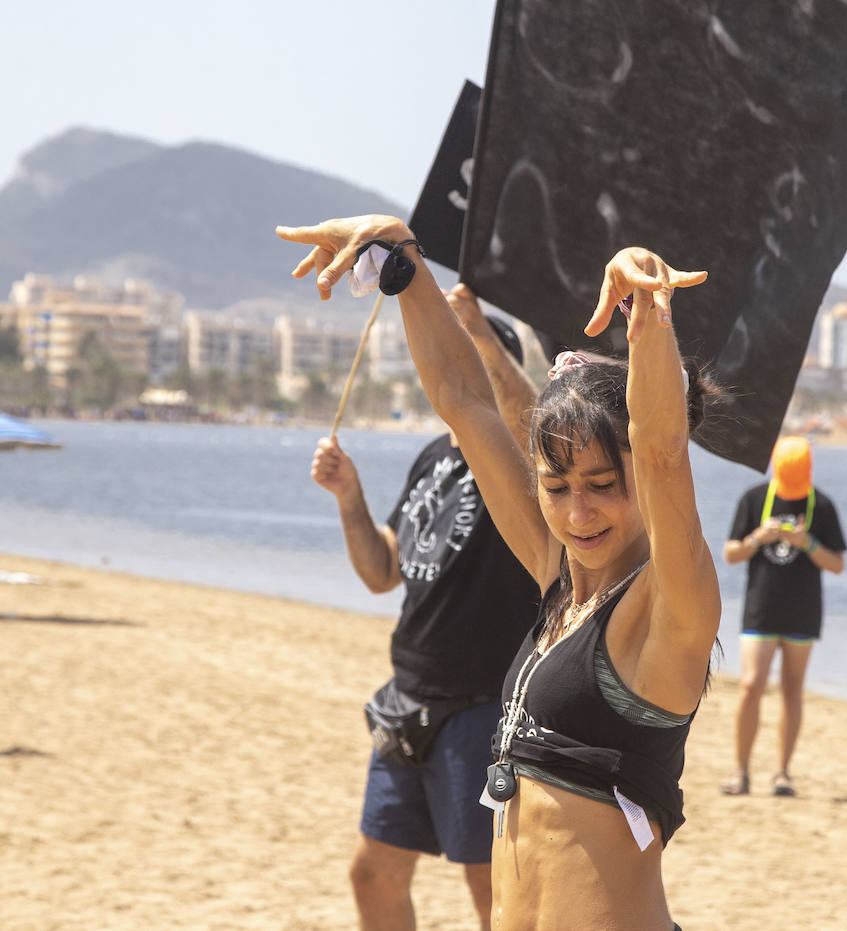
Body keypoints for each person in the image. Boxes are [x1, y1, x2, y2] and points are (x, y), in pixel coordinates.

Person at [280, 214, 721, 930]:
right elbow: (465, 400)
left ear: (638, 477)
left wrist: (648, 315)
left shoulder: (667, 608)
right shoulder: (558, 580)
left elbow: (664, 448)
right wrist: (407, 264)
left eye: (604, 483)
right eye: (556, 485)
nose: (579, 510)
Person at [310, 286, 540, 931]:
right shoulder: (434, 456)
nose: (447, 367)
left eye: (464, 356)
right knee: (372, 874)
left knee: (495, 894)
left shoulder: (523, 460)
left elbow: (526, 419)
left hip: (484, 707)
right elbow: (383, 572)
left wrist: (476, 328)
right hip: (408, 702)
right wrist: (349, 496)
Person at [720, 435, 846, 797]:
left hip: (803, 612)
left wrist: (807, 543)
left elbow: (837, 564)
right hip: (761, 608)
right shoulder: (755, 498)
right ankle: (740, 771)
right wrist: (758, 538)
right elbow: (730, 553)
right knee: (751, 686)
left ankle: (782, 773)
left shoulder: (821, 506)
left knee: (792, 689)